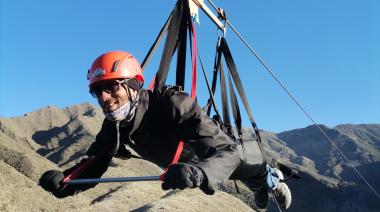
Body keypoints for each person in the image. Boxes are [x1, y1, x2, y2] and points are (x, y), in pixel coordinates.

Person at [39, 51, 292, 210]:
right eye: (98, 91)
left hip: (224, 154)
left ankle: (270, 180)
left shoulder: (173, 104)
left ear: (132, 86)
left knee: (254, 172)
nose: (105, 97)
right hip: (192, 166)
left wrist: (200, 173)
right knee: (244, 181)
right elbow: (95, 162)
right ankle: (259, 185)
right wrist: (66, 182)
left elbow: (228, 152)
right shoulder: (115, 124)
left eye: (111, 87)